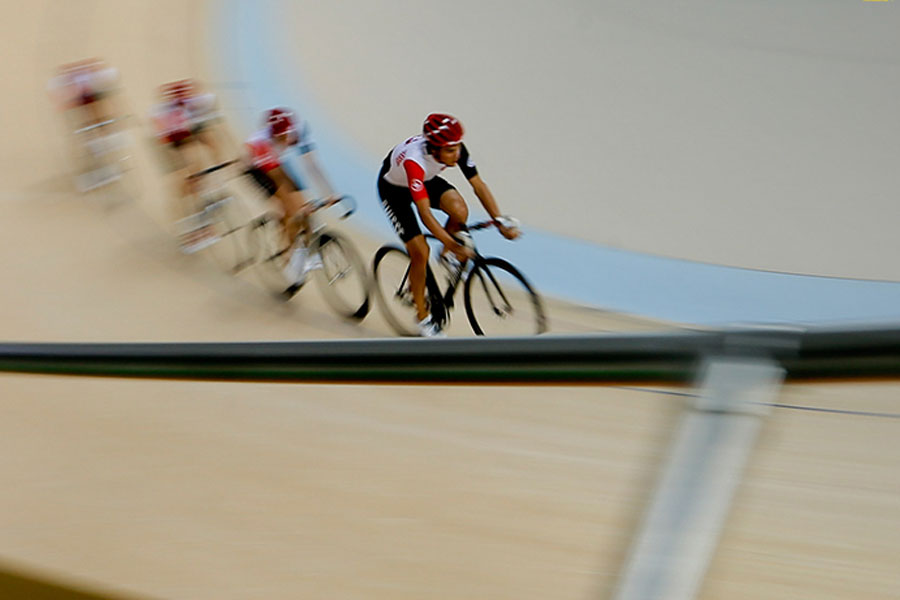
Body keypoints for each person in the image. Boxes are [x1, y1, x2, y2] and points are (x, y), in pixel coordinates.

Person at [377, 113, 520, 337]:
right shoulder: (415, 161)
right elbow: (424, 214)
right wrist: (452, 242)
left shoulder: (454, 148)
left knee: (460, 210)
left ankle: (445, 257)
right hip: (394, 191)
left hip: (426, 181)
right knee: (419, 253)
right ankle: (423, 318)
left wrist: (499, 221)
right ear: (435, 150)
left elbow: (478, 185)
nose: (457, 155)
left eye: (457, 148)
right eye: (450, 151)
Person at [244, 107, 339, 295]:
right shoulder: (261, 144)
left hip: (277, 163)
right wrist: (297, 207)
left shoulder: (297, 131)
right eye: (280, 137)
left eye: (286, 135)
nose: (284, 140)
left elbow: (312, 165)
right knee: (290, 209)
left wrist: (329, 193)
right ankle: (289, 260)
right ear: (273, 134)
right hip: (257, 168)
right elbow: (279, 181)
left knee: (302, 205)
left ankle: (304, 248)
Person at [149, 79, 231, 252]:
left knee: (209, 143)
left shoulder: (203, 101)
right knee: (185, 181)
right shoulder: (164, 115)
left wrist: (220, 166)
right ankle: (186, 228)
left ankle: (211, 187)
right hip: (170, 140)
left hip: (191, 129)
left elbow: (218, 131)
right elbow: (170, 149)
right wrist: (188, 174)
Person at [48, 58, 126, 191]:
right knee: (87, 131)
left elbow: (108, 99)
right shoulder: (70, 85)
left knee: (98, 124)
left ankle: (99, 152)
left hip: (87, 94)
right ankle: (91, 158)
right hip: (77, 96)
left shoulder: (100, 81)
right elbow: (65, 105)